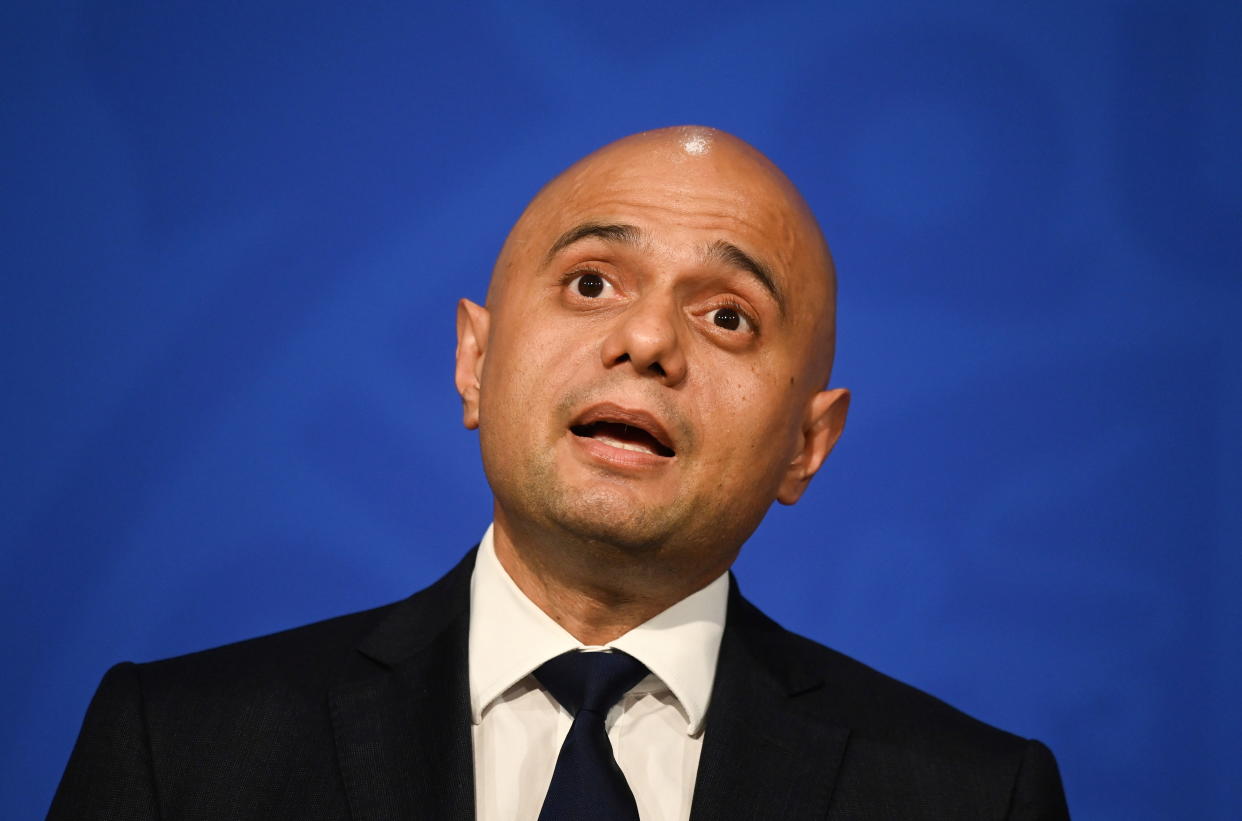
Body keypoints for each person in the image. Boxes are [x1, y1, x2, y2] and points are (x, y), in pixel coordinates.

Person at [50, 127, 1070, 820]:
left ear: (809, 443)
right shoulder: (180, 752)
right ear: (474, 360)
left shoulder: (971, 794)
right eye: (591, 282)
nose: (646, 339)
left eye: (727, 316)